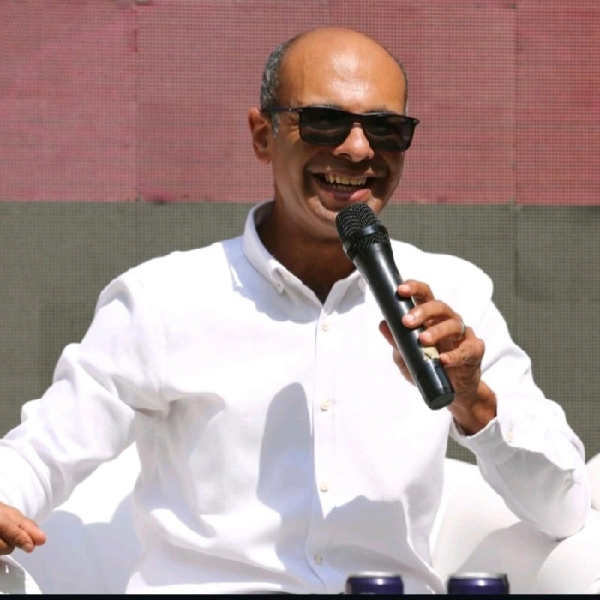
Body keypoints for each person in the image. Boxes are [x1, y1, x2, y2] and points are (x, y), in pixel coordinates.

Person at [0, 27, 591, 594]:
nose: (358, 148)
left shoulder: (452, 296)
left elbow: (565, 508)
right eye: (324, 121)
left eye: (386, 129)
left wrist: (474, 404)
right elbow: (41, 453)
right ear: (263, 135)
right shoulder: (162, 299)